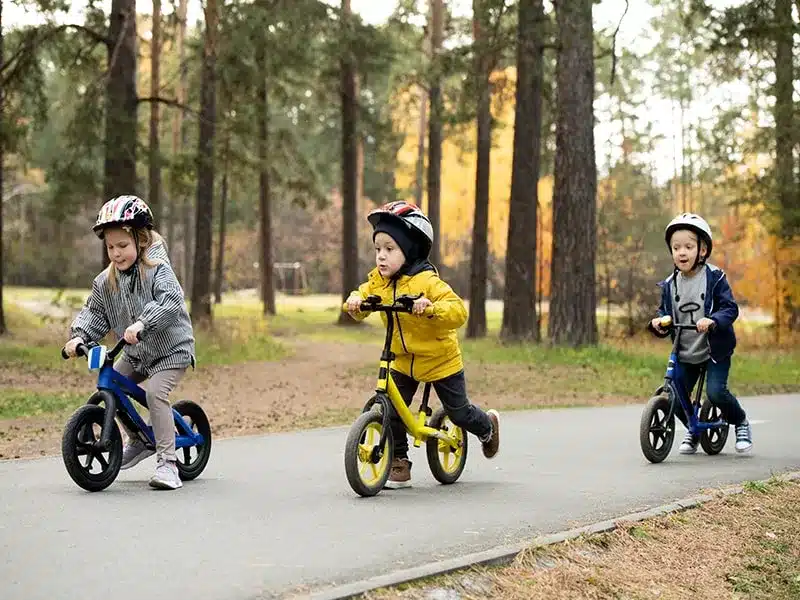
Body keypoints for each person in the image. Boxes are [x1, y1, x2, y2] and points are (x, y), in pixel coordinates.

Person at [345, 200, 500, 489]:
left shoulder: (428, 282)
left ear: (411, 249)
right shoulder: (379, 282)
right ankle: (399, 463)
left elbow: (458, 311)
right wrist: (355, 302)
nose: (381, 257)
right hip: (402, 360)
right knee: (390, 408)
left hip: (441, 361)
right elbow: (363, 296)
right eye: (378, 249)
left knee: (458, 413)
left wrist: (429, 308)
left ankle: (487, 427)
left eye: (390, 249)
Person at [64, 195, 196, 490]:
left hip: (171, 349)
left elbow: (170, 300)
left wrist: (143, 322)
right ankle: (138, 439)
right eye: (110, 247)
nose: (116, 253)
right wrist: (79, 337)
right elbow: (94, 313)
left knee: (155, 394)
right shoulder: (105, 281)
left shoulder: (157, 269)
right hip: (136, 352)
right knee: (112, 384)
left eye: (122, 246)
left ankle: (168, 464)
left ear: (142, 240)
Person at [649, 212, 752, 454]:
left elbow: (730, 308)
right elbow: (665, 312)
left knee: (716, 392)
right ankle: (694, 429)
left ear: (702, 250)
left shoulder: (715, 278)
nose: (681, 252)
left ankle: (740, 422)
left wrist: (713, 320)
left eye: (688, 246)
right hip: (686, 349)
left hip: (713, 348)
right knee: (674, 395)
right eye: (676, 248)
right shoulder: (669, 284)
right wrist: (659, 323)